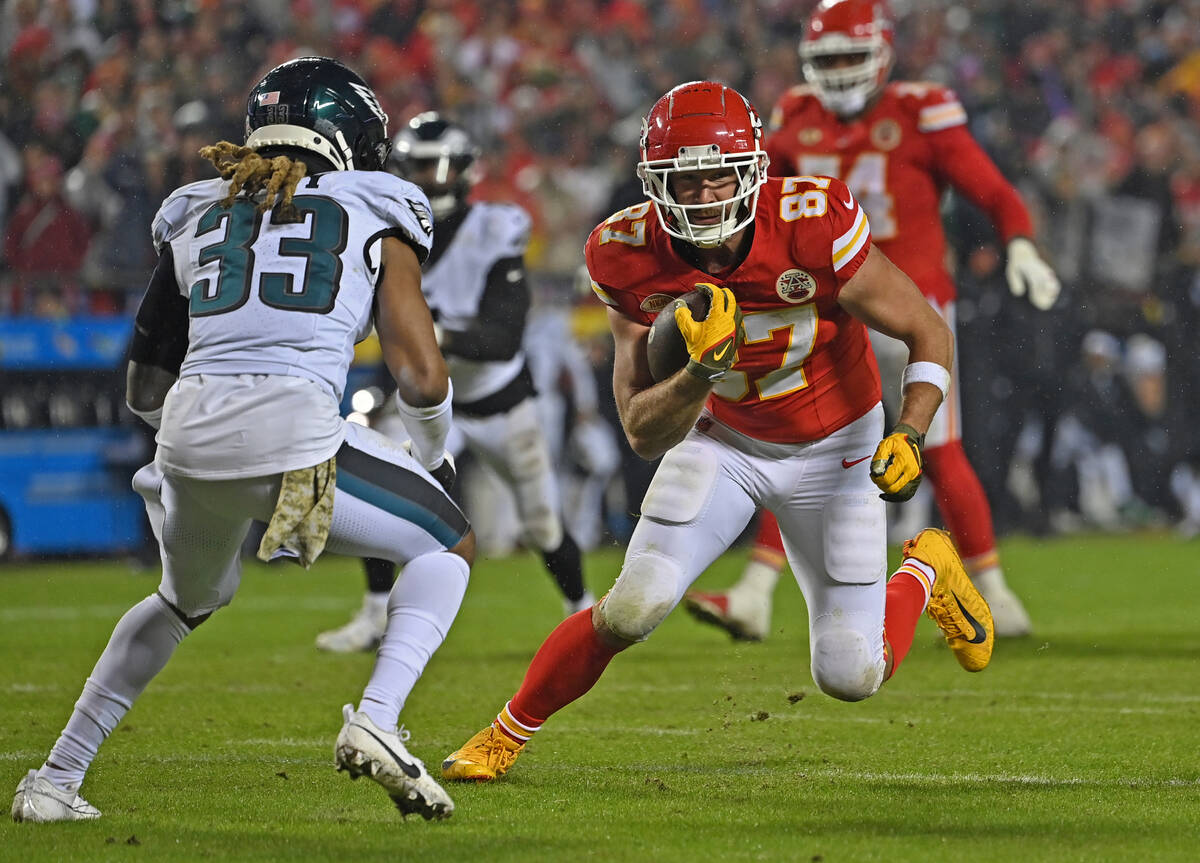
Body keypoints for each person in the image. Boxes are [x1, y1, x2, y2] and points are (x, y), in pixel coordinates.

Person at [439, 79, 994, 783]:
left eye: (716, 177)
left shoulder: (811, 219)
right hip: (726, 442)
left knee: (851, 672)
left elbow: (927, 330)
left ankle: (925, 566)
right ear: (652, 183)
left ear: (753, 170)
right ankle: (503, 733)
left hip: (839, 446)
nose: (701, 196)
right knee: (633, 604)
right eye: (683, 181)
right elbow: (642, 430)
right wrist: (701, 370)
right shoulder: (624, 252)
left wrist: (911, 431)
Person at [12, 57, 469, 824]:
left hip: (188, 432)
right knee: (446, 545)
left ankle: (55, 778)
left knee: (183, 600)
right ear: (352, 139)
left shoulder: (195, 212)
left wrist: (198, 451)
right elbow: (421, 376)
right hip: (297, 425)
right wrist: (436, 457)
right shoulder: (378, 206)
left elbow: (142, 388)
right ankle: (379, 718)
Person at [683, 0, 1058, 642]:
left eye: (851, 56)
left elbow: (992, 189)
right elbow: (753, 196)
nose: (839, 72)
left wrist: (1019, 239)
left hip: (911, 307)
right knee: (803, 437)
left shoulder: (920, 110)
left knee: (936, 449)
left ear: (883, 52)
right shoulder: (796, 114)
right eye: (827, 59)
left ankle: (991, 587)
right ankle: (754, 592)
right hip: (831, 310)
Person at [314, 112, 592, 654]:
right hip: (425, 397)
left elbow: (503, 336)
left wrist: (430, 331)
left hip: (499, 401)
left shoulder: (496, 226)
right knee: (386, 495)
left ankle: (582, 616)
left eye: (441, 168)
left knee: (541, 524)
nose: (432, 181)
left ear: (465, 171)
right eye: (420, 168)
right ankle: (375, 615)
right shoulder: (384, 231)